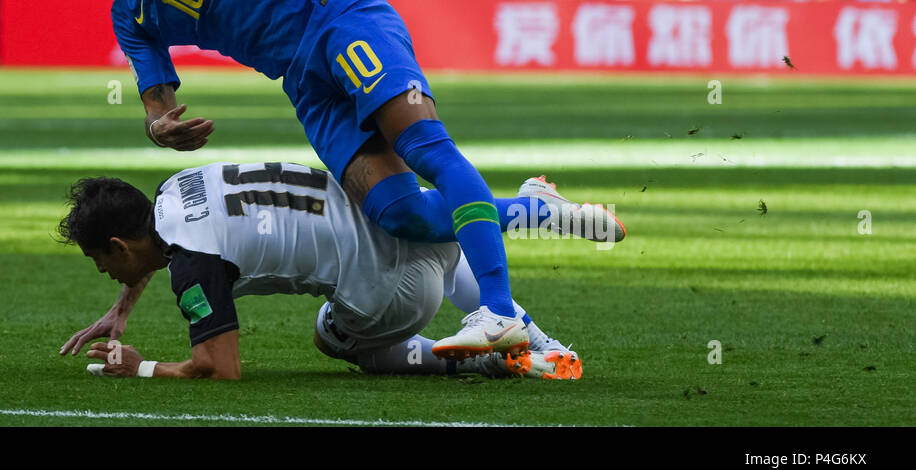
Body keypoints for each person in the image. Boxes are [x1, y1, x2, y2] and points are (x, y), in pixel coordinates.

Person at [42, 0, 566, 358]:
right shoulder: (127, 16)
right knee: (398, 213)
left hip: (336, 16)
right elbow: (156, 101)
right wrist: (160, 128)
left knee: (427, 150)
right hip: (301, 79)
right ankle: (535, 210)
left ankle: (497, 310)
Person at [59, 164, 621, 380]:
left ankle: (499, 363)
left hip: (399, 293)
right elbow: (171, 242)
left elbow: (219, 369)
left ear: (117, 244)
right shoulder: (172, 191)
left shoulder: (191, 266)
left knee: (331, 333)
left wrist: (141, 367)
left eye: (101, 262)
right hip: (412, 217)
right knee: (450, 243)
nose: (106, 273)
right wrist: (123, 307)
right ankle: (530, 218)